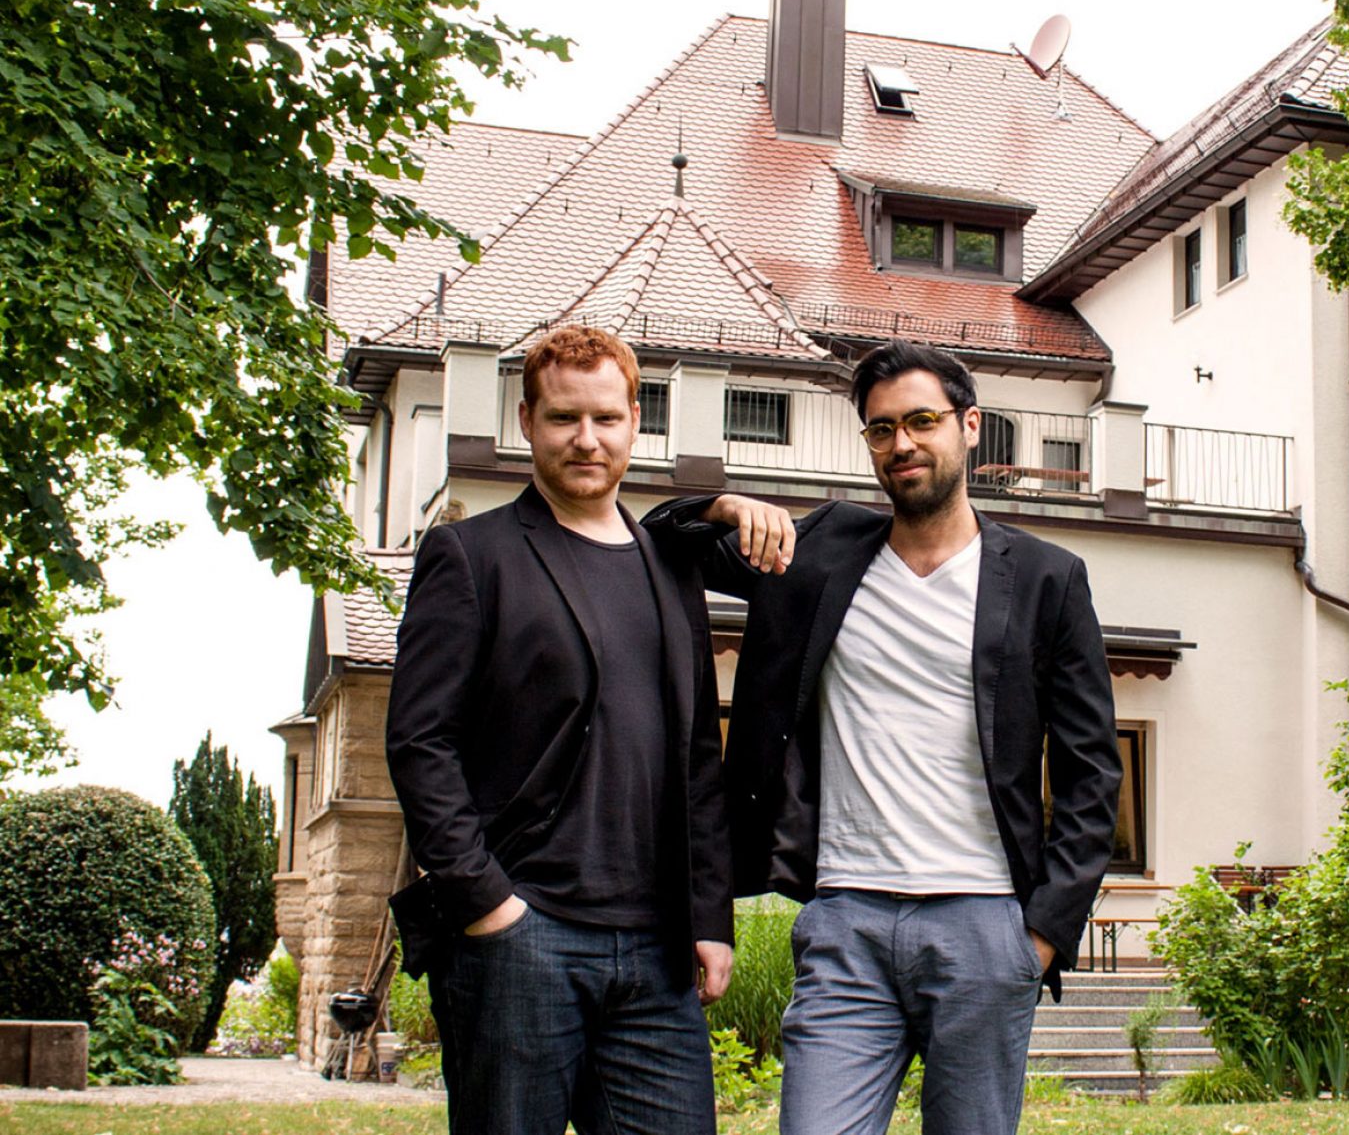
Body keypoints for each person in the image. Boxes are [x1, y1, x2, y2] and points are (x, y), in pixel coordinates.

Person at [645, 339, 1122, 1135]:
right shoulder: (821, 551)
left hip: (983, 925)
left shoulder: (1046, 578)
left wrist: (1040, 934)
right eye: (880, 429)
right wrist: (725, 506)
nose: (901, 443)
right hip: (846, 919)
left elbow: (1090, 772)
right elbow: (660, 542)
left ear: (969, 427)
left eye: (922, 421)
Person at [385, 326, 733, 1135]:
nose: (587, 439)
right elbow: (419, 741)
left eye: (606, 419)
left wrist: (709, 918)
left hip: (657, 952)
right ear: (527, 420)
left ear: (634, 423)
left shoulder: (669, 567)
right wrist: (487, 905)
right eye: (564, 418)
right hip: (522, 937)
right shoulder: (470, 557)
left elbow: (697, 760)